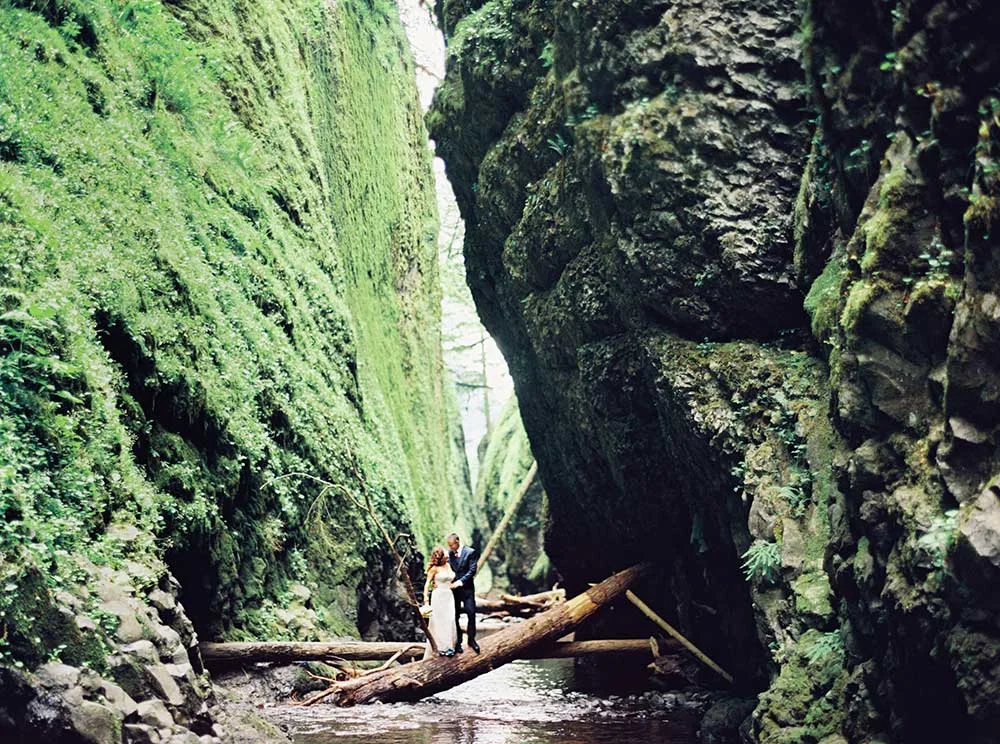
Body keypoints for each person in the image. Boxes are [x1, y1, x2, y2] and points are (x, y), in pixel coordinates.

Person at [422, 546, 458, 658]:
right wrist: (426, 599)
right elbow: (427, 584)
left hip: (448, 595)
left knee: (450, 619)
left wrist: (453, 585)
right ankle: (441, 648)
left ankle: (450, 646)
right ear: (440, 556)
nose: (448, 557)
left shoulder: (448, 565)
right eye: (446, 555)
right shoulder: (434, 569)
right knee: (439, 621)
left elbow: (451, 578)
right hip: (438, 596)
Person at [447, 533, 480, 654]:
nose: (450, 548)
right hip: (454, 591)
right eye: (449, 546)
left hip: (467, 590)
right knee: (455, 616)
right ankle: (458, 642)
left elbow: (472, 570)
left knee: (471, 613)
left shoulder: (470, 552)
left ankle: (471, 640)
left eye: (452, 545)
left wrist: (460, 582)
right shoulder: (450, 553)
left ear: (457, 542)